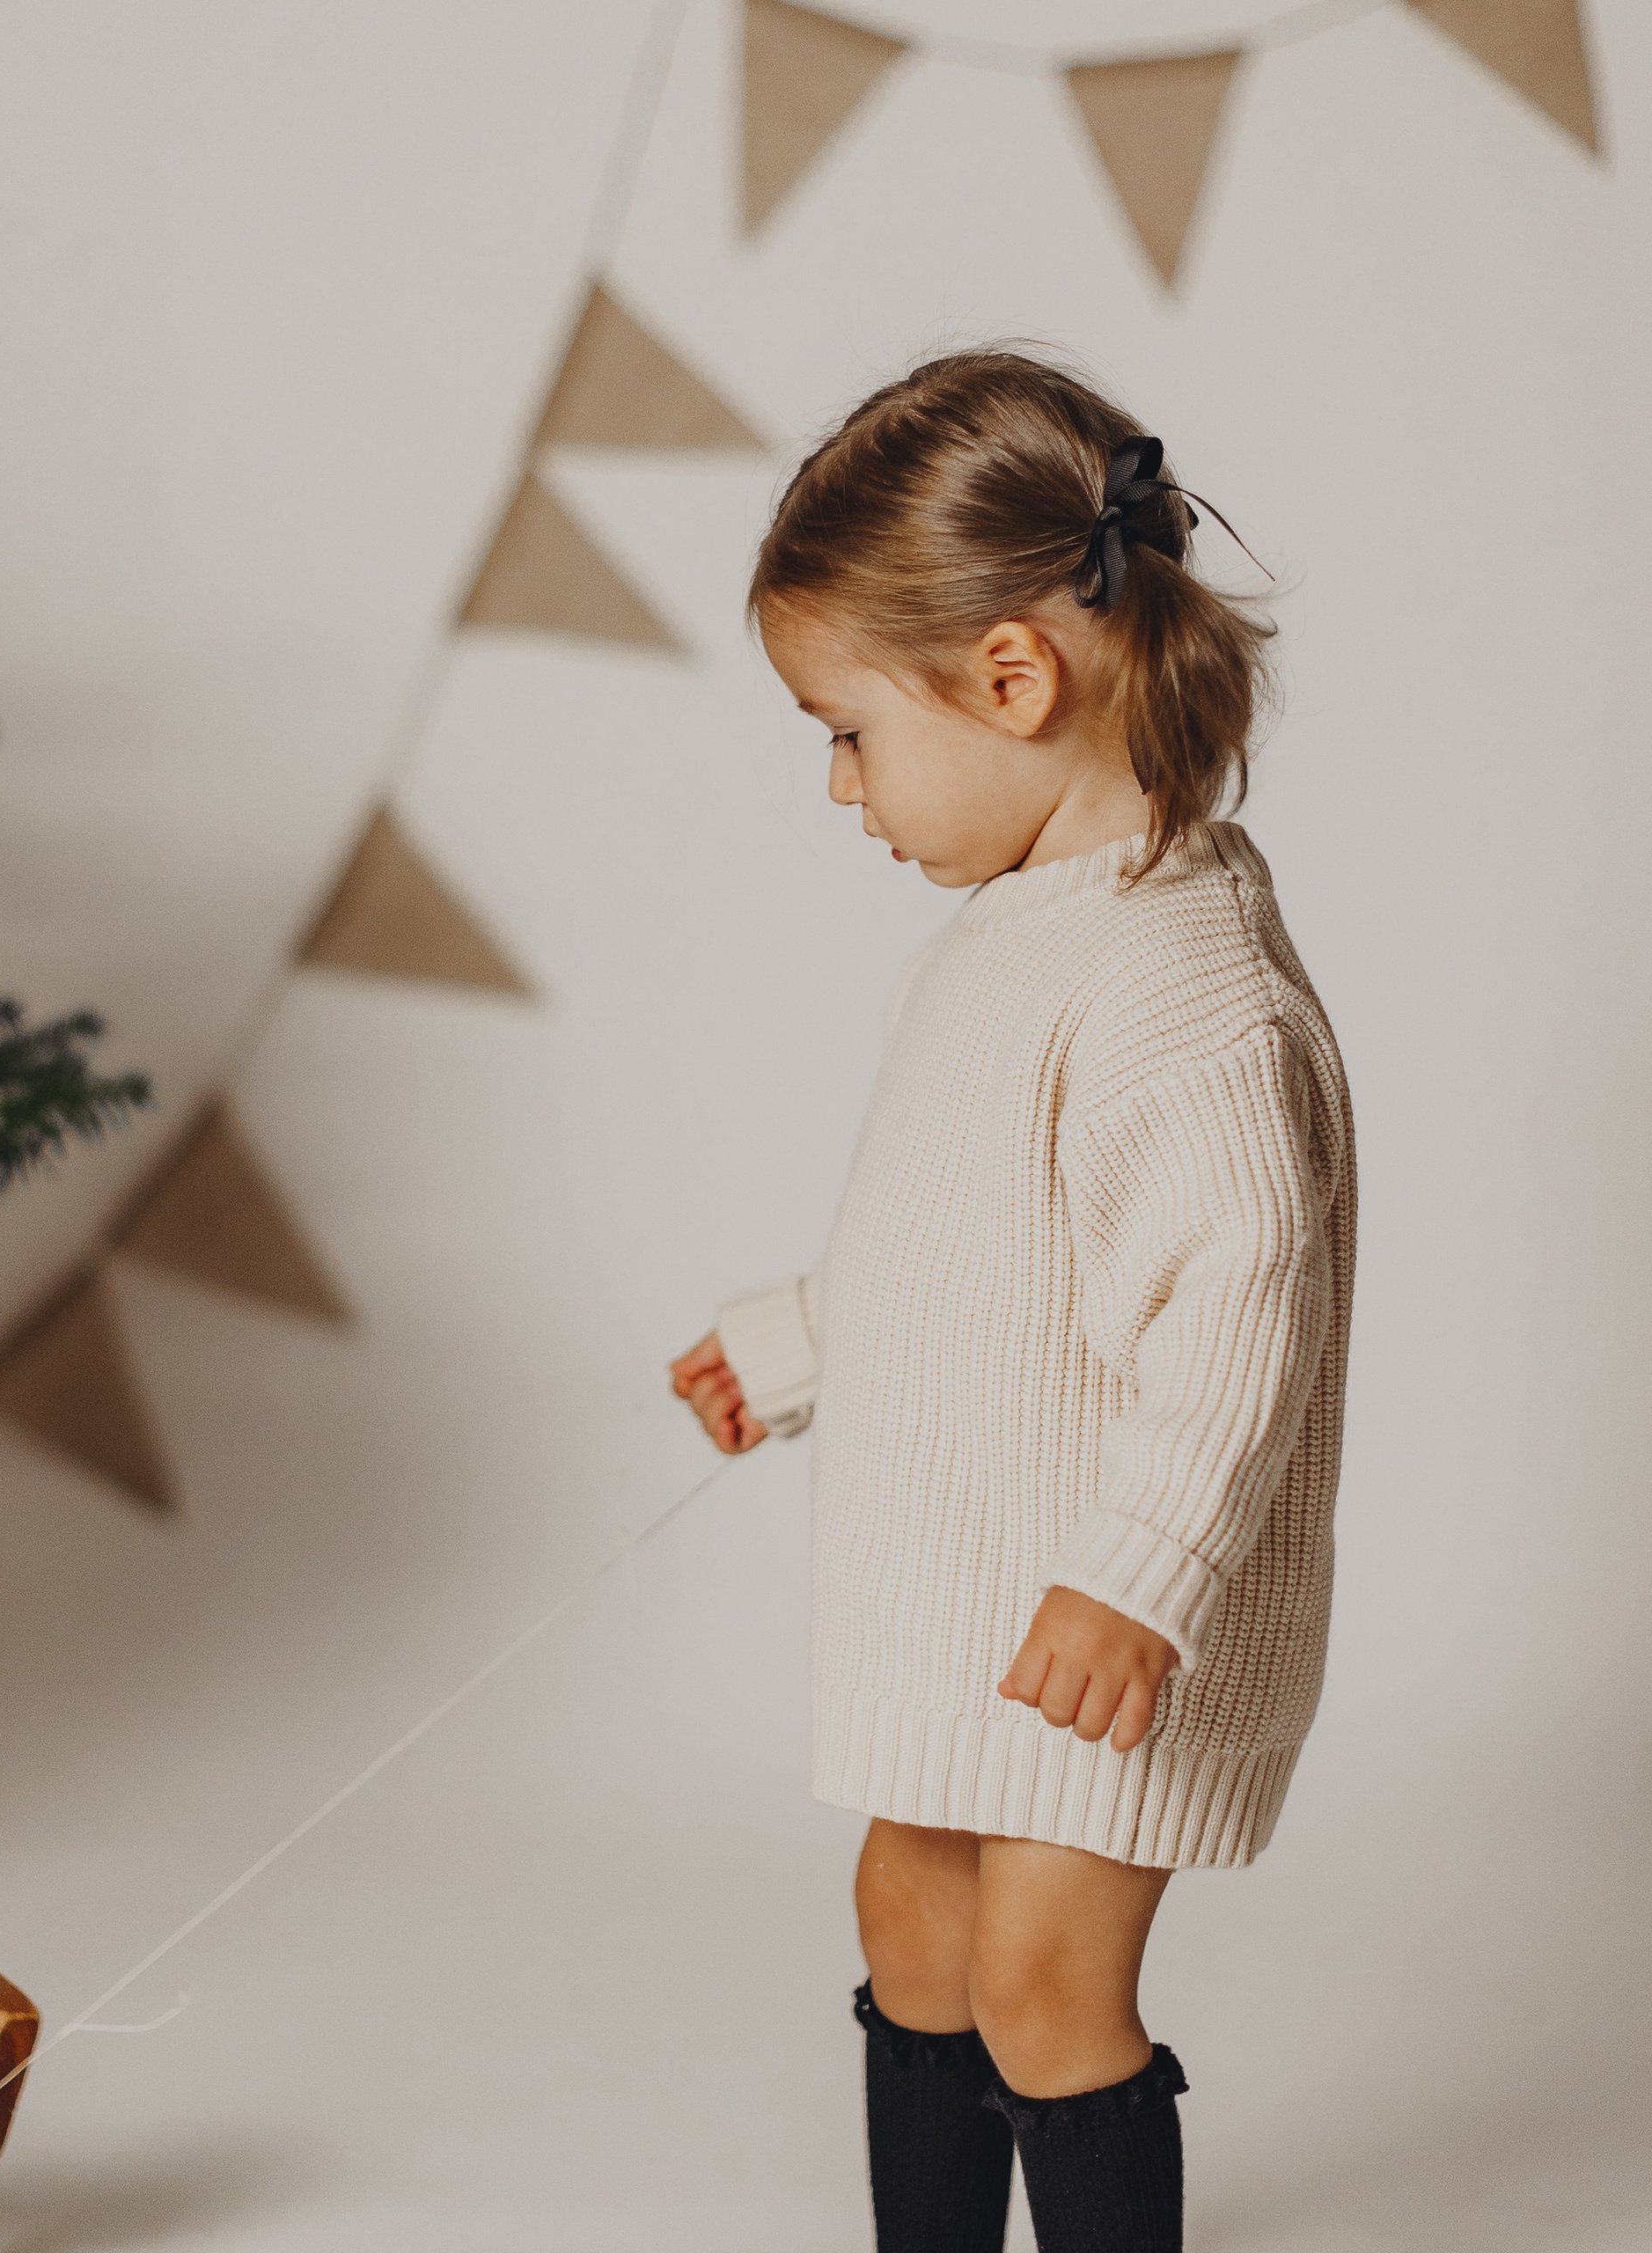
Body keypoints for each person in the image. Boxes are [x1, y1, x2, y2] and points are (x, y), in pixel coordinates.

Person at [669, 349, 1355, 2253]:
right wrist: (790, 1346)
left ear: (1006, 678)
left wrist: (1138, 1571)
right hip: (960, 1590)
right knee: (909, 1915)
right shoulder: (1002, 939)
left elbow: (1239, 1316)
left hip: (1101, 1619)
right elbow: (953, 1240)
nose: (834, 783)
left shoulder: (1179, 984)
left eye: (841, 729)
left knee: (1046, 1979)